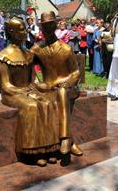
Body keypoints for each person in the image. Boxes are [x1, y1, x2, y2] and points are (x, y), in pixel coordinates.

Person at [0, 17, 61, 167]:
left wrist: (39, 88)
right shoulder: (3, 56)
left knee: (48, 103)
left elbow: (33, 79)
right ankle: (33, 151)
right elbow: (5, 85)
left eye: (25, 29)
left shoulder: (28, 54)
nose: (25, 32)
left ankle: (48, 148)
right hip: (11, 94)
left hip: (28, 90)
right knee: (31, 106)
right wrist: (25, 92)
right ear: (11, 31)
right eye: (21, 29)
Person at [30, 11, 83, 157]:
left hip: (67, 87)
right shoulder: (36, 49)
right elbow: (29, 73)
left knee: (62, 92)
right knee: (54, 95)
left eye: (49, 25)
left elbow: (75, 72)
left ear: (55, 26)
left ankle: (65, 139)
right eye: (44, 26)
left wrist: (67, 83)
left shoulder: (66, 48)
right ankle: (70, 141)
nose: (47, 29)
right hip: (47, 88)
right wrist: (37, 84)